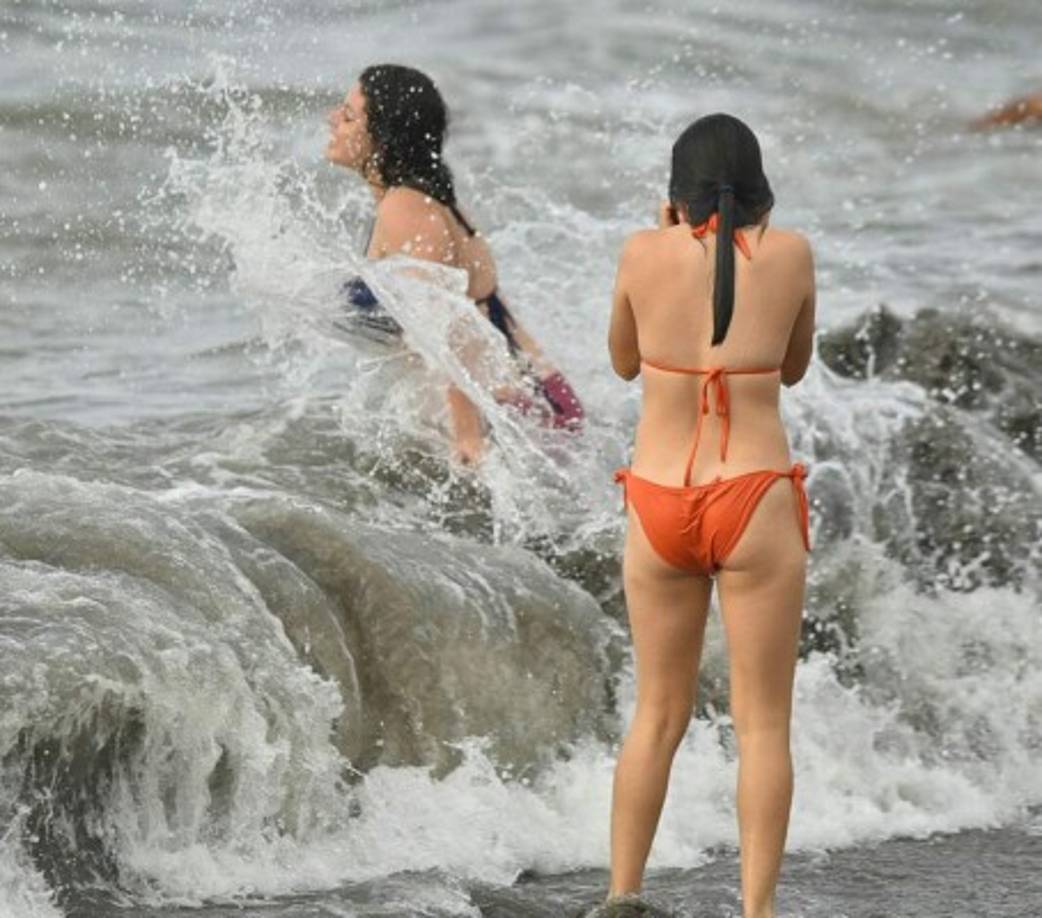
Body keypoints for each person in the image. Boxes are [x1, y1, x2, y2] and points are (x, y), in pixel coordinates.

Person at [603, 113, 815, 918]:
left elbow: (623, 360)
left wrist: (667, 243)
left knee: (656, 715)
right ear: (758, 188)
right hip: (754, 496)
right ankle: (756, 913)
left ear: (677, 195)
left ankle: (623, 895)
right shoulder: (791, 253)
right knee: (763, 726)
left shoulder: (639, 252)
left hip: (659, 498)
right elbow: (791, 368)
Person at [325, 63, 584, 465]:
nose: (332, 120)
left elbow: (443, 327)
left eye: (348, 115)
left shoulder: (406, 208)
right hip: (532, 402)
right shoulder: (422, 199)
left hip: (513, 414)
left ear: (383, 138)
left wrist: (467, 439)